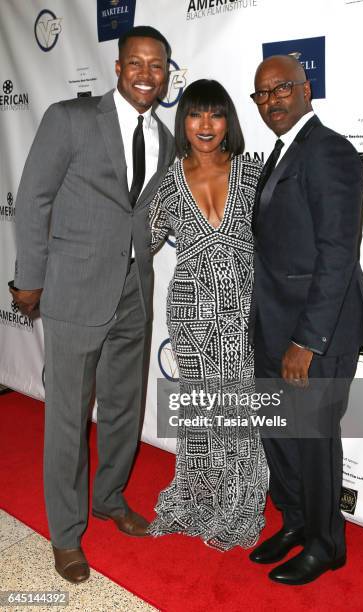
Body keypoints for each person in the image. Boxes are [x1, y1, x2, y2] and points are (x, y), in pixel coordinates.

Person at [9, 26, 175, 583]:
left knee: (125, 406)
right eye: (137, 63)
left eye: (157, 65)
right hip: (74, 289)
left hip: (134, 290)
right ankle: (65, 533)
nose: (147, 73)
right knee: (67, 417)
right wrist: (28, 279)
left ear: (167, 72)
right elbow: (33, 196)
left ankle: (108, 497)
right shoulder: (71, 118)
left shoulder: (168, 137)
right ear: (119, 66)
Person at [248, 55, 363, 584]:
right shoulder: (281, 154)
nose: (271, 100)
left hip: (316, 336)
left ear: (306, 90)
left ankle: (327, 544)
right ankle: (296, 522)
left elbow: (338, 252)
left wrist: (308, 340)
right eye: (262, 94)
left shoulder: (329, 151)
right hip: (274, 328)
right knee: (281, 437)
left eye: (281, 89)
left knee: (314, 443)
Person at [149, 79, 268, 550]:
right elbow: (141, 241)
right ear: (184, 121)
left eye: (215, 115)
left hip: (242, 313)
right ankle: (199, 498)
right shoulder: (169, 180)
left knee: (237, 407)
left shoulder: (253, 174)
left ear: (227, 122)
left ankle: (239, 501)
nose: (205, 125)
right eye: (196, 115)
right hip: (191, 315)